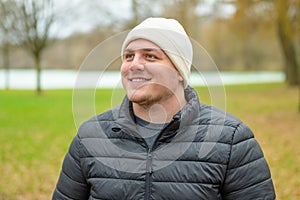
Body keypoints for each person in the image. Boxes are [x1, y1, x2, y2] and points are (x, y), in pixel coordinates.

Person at [52, 17, 276, 199]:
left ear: (180, 71)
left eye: (150, 56)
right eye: (128, 56)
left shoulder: (231, 140)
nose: (134, 64)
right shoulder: (89, 137)